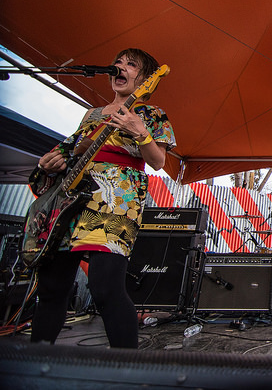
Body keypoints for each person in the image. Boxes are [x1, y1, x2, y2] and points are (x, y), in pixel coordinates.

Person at [28, 48, 176, 348]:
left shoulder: (151, 114)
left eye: (130, 65)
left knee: (105, 287)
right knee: (52, 287)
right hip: (70, 199)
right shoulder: (92, 114)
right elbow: (71, 151)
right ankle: (36, 361)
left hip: (114, 199)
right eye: (117, 63)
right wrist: (50, 163)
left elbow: (158, 161)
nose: (120, 67)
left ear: (145, 80)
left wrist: (141, 133)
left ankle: (125, 366)